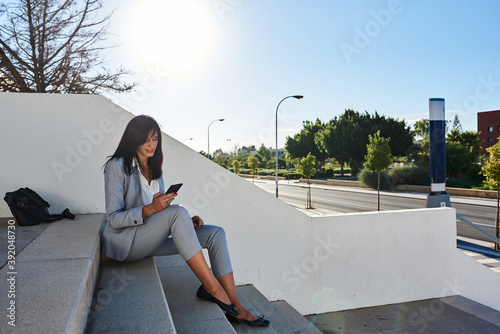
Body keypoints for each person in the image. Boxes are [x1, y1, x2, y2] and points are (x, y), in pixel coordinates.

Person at [102, 115, 269, 327]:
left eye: (154, 139)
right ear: (133, 139)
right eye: (145, 140)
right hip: (127, 243)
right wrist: (150, 209)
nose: (151, 145)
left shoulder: (155, 169)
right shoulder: (117, 166)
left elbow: (160, 215)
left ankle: (238, 307)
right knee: (177, 212)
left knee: (215, 233)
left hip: (150, 238)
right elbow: (112, 219)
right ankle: (212, 288)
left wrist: (184, 222)